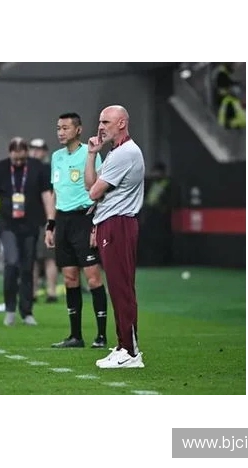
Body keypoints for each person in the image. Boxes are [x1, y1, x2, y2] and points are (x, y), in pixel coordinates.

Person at [85, 105, 145, 369]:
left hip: (119, 223)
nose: (101, 127)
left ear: (122, 123)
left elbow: (93, 192)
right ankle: (123, 345)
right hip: (110, 222)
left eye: (106, 122)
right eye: (100, 122)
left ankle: (130, 351)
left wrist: (97, 198)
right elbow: (90, 185)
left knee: (121, 288)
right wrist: (91, 154)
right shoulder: (115, 152)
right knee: (117, 286)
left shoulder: (126, 153)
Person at [45, 112, 108, 349]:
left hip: (85, 219)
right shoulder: (56, 157)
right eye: (58, 128)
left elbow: (100, 190)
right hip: (63, 221)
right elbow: (55, 193)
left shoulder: (91, 154)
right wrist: (51, 225)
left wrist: (96, 225)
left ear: (78, 130)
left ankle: (101, 336)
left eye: (65, 128)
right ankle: (75, 336)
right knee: (70, 278)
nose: (60, 132)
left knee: (93, 278)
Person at [0, 137, 55, 326]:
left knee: (27, 267)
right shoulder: (0, 168)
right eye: (15, 159)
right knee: (12, 262)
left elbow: (47, 195)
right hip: (7, 225)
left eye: (22, 159)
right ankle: (10, 308)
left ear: (27, 154)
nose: (18, 162)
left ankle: (26, 311)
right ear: (10, 153)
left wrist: (51, 221)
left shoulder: (37, 168)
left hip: (31, 225)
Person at [28, 138, 59, 303]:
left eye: (39, 149)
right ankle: (32, 291)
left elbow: (52, 196)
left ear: (45, 151)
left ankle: (51, 291)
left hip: (45, 219)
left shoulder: (49, 170)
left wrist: (51, 221)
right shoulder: (25, 169)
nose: (35, 151)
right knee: (32, 258)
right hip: (29, 220)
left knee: (49, 257)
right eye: (32, 148)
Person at [139, 161, 175, 266]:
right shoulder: (150, 182)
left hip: (160, 216)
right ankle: (148, 260)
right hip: (148, 214)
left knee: (160, 239)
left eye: (157, 172)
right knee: (147, 238)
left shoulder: (167, 183)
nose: (155, 174)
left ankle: (162, 261)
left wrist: (163, 209)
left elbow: (170, 200)